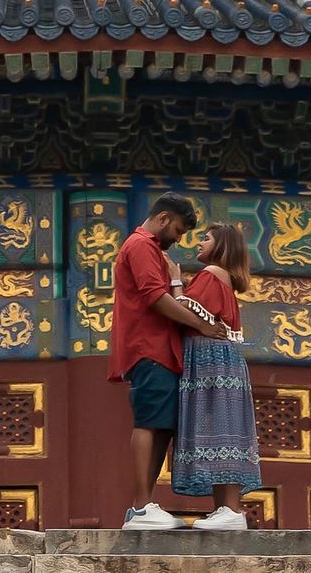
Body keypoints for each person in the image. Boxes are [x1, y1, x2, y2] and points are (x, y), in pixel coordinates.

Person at [108, 192, 226, 531]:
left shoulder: (153, 251)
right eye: (177, 229)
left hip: (161, 349)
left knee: (161, 424)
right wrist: (204, 326)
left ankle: (146, 504)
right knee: (148, 421)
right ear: (163, 219)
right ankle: (141, 506)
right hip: (149, 347)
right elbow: (156, 299)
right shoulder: (141, 246)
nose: (179, 238)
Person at [167, 223, 262, 530]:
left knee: (223, 429)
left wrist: (175, 280)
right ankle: (225, 509)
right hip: (215, 358)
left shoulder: (211, 274)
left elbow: (185, 309)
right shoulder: (222, 277)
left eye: (205, 238)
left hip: (212, 359)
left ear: (221, 245)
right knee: (220, 430)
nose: (199, 243)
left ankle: (232, 510)